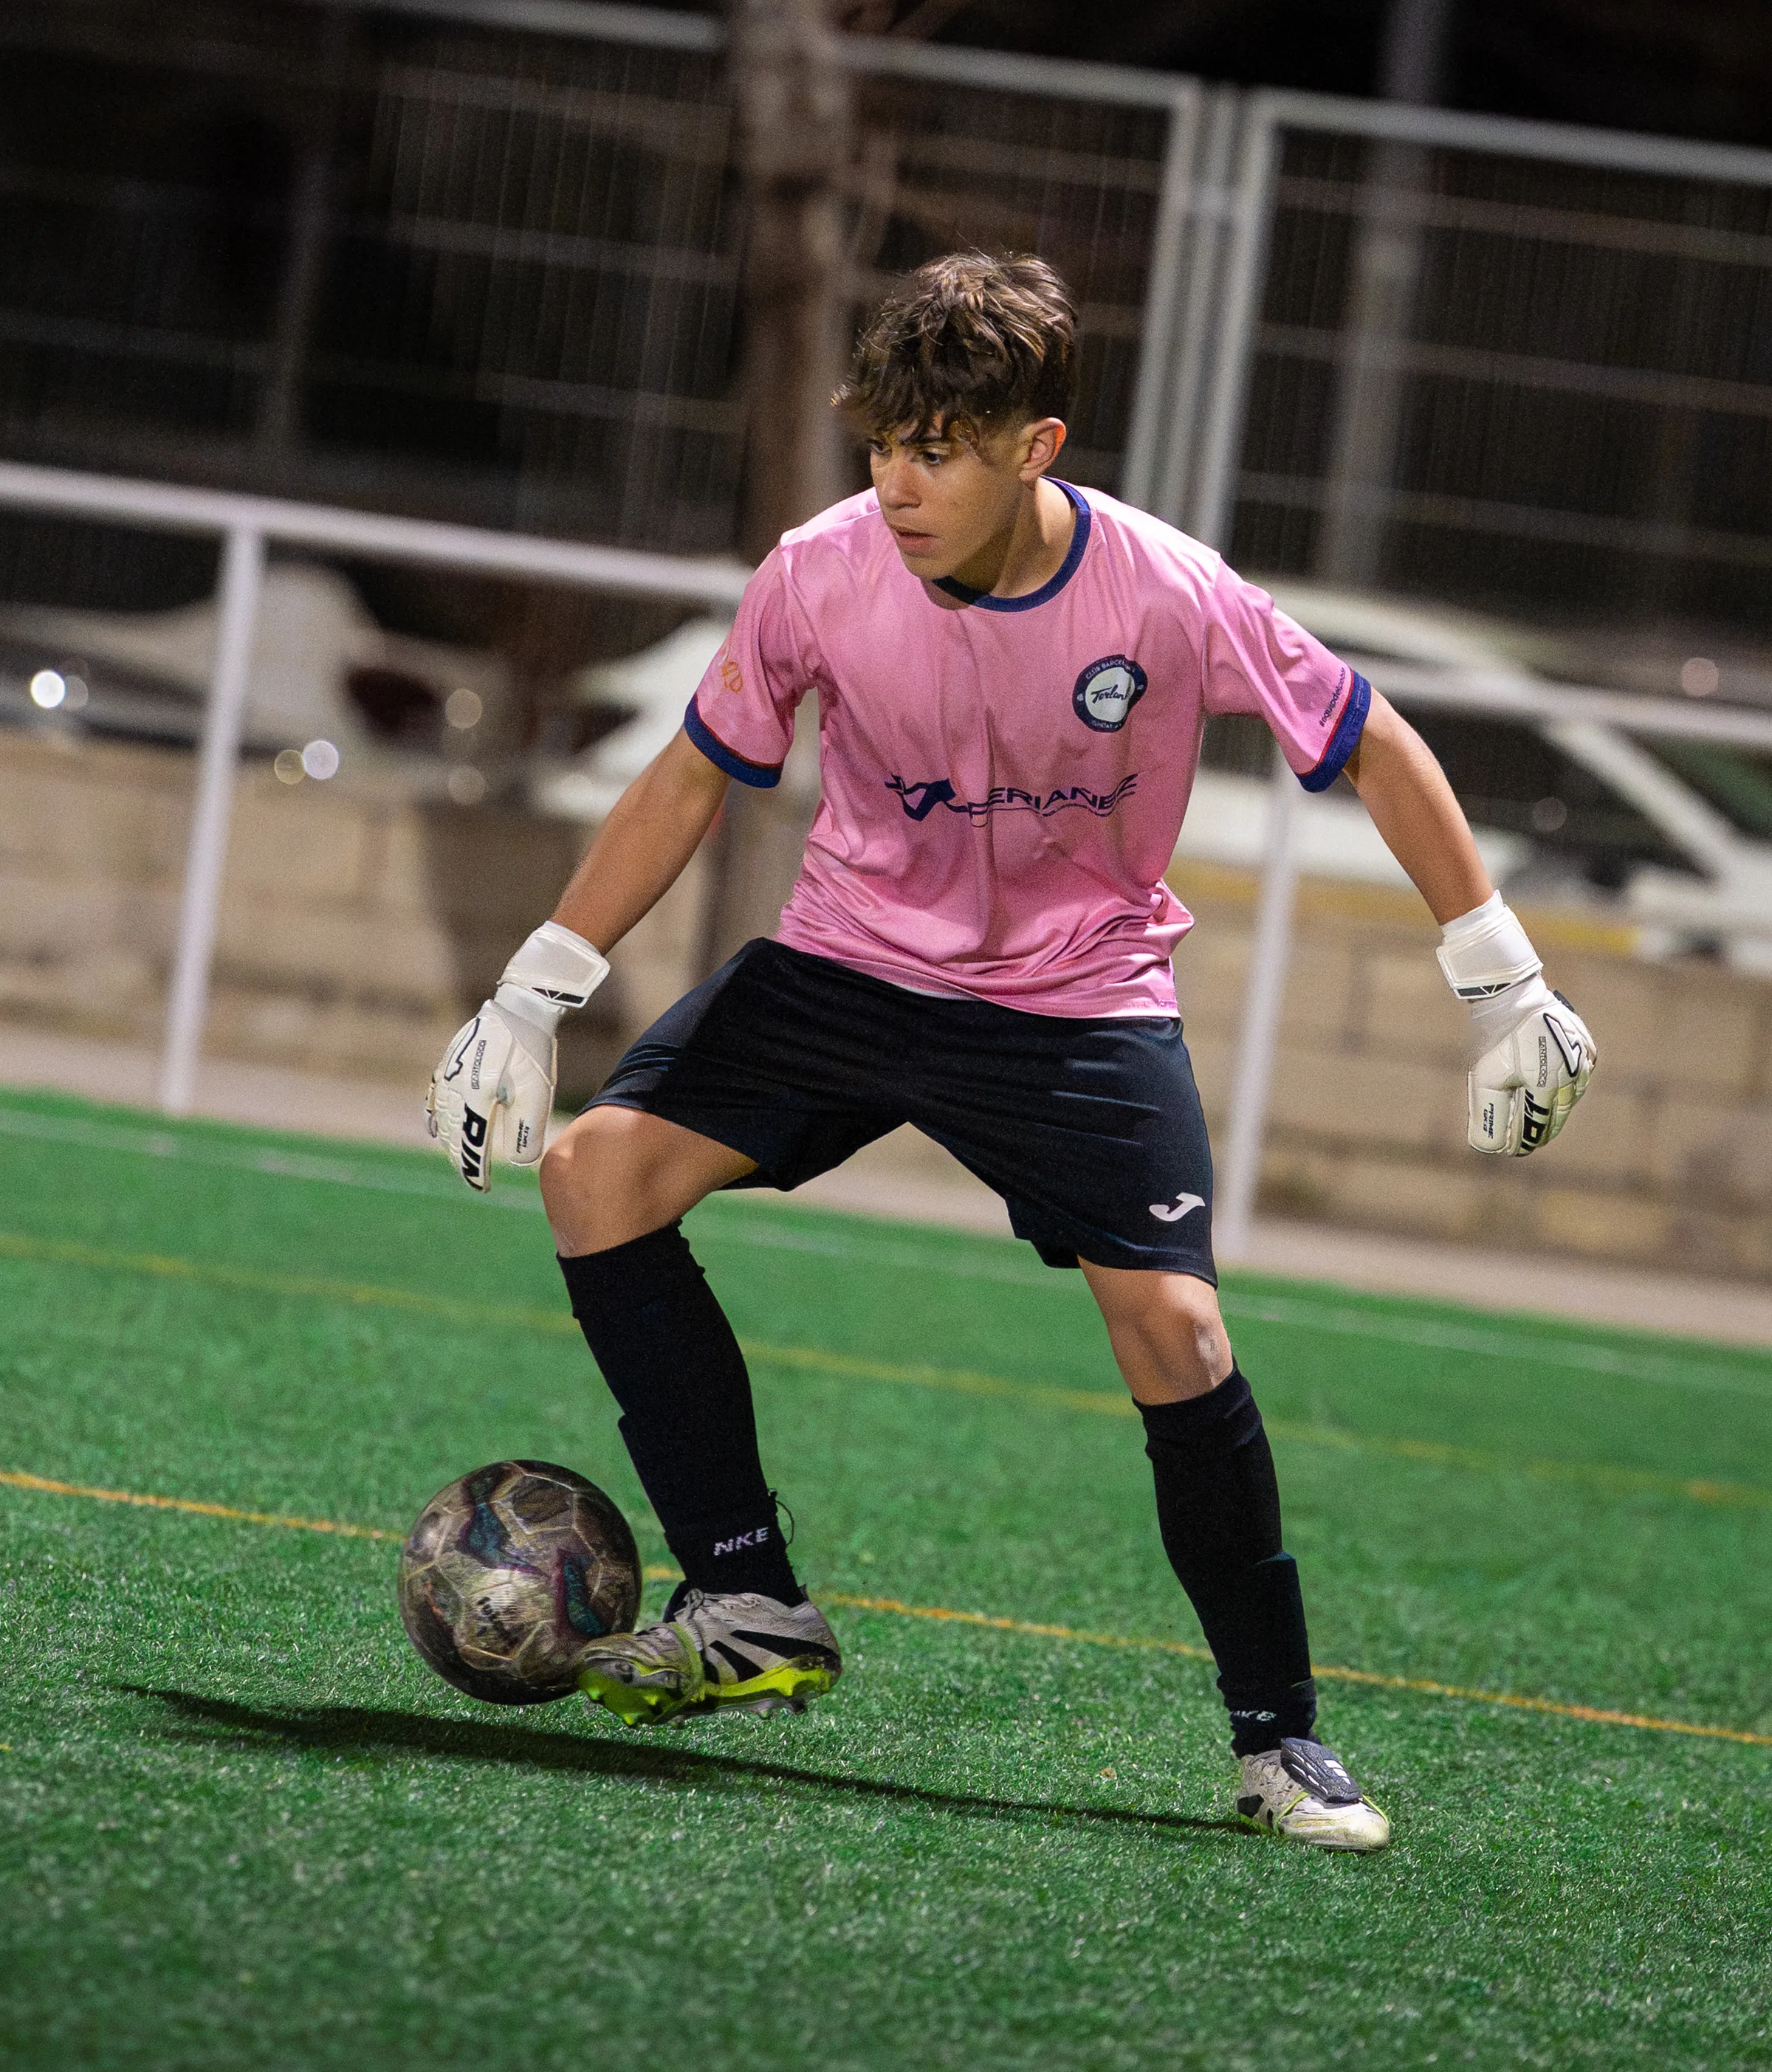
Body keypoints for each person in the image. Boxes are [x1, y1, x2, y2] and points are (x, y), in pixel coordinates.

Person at [427, 252, 1596, 1853]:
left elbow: (1370, 742)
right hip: (846, 966)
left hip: (1078, 1004)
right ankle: (750, 1597)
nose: (897, 486)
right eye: (880, 446)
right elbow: (695, 776)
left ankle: (1280, 1743)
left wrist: (1503, 979)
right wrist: (537, 987)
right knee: (595, 1178)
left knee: (1176, 1339)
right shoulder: (818, 571)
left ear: (1034, 447)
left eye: (939, 451)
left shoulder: (1168, 591)